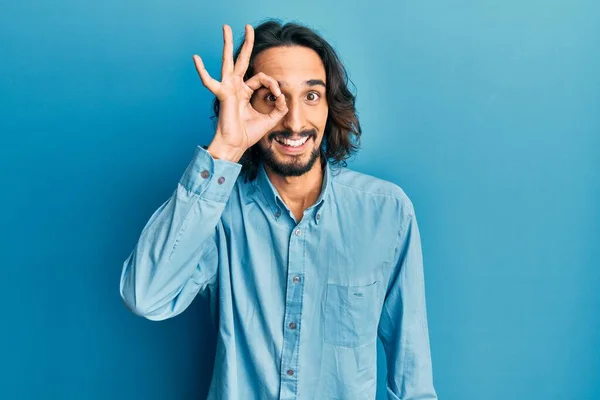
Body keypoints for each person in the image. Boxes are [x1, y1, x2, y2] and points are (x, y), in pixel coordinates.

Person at [120, 19, 438, 400]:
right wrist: (225, 147)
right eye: (271, 95)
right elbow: (145, 295)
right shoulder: (218, 212)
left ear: (330, 106)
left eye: (311, 96)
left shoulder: (386, 212)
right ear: (245, 105)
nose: (294, 121)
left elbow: (412, 377)